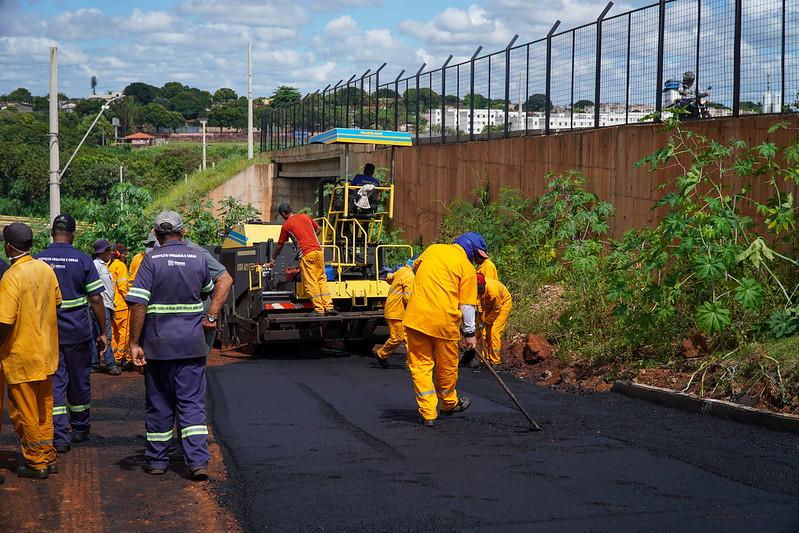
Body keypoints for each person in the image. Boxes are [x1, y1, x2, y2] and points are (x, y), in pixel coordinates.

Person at [127, 211, 215, 480]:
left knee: (159, 403)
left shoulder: (150, 260)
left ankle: (157, 461)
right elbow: (206, 291)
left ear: (155, 233)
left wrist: (133, 343)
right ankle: (198, 462)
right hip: (191, 345)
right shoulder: (198, 258)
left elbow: (139, 303)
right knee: (192, 404)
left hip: (158, 345)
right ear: (183, 231)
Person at [34, 215, 109, 452]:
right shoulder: (83, 260)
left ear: (52, 233)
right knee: (79, 380)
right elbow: (96, 299)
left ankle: (57, 432)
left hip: (47, 333)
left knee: (54, 382)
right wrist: (103, 331)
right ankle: (80, 428)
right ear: (73, 234)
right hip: (77, 332)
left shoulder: (38, 260)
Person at [402, 232, 485, 427]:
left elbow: (414, 268)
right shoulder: (467, 268)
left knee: (421, 366)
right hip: (444, 323)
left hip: (416, 319)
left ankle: (428, 413)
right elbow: (467, 306)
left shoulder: (433, 249)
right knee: (447, 366)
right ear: (471, 251)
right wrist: (470, 334)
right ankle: (448, 403)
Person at [0, 222, 61, 478]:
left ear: (8, 247)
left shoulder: (12, 276)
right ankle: (47, 455)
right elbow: (58, 302)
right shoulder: (45, 270)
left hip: (21, 356)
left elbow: (4, 321)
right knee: (44, 410)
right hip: (46, 354)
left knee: (24, 413)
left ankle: (36, 463)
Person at [267, 203, 336, 317]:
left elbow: (280, 245)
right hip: (318, 252)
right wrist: (311, 239)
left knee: (311, 281)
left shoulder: (286, 225)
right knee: (321, 279)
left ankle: (319, 309)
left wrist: (273, 259)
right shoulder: (305, 216)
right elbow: (318, 229)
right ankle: (329, 307)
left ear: (283, 213)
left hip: (306, 254)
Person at [373, 260, 414, 368]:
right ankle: (381, 354)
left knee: (409, 338)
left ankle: (411, 363)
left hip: (397, 310)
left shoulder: (402, 270)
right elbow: (408, 297)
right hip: (396, 312)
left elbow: (389, 278)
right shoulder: (410, 276)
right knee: (397, 338)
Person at [91, 240, 121, 375]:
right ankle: (110, 363)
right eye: (108, 251)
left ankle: (94, 363)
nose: (111, 253)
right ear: (102, 252)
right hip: (100, 305)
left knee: (96, 334)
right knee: (105, 334)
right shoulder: (96, 265)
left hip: (106, 304)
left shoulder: (103, 265)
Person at [476, 273, 512, 365]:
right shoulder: (474, 288)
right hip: (488, 305)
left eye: (480, 288)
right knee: (482, 332)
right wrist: (481, 318)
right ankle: (484, 359)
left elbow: (497, 308)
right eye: (477, 288)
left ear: (484, 284)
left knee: (494, 332)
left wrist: (486, 321)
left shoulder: (493, 291)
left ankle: (495, 361)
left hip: (502, 304)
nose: (479, 290)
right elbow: (478, 302)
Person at [108, 243, 132, 370]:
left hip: (111, 304)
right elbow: (123, 287)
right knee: (124, 332)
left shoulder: (108, 265)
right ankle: (120, 357)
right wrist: (130, 299)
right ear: (118, 253)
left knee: (113, 332)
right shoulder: (121, 266)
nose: (126, 256)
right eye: (124, 253)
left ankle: (113, 355)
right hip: (122, 304)